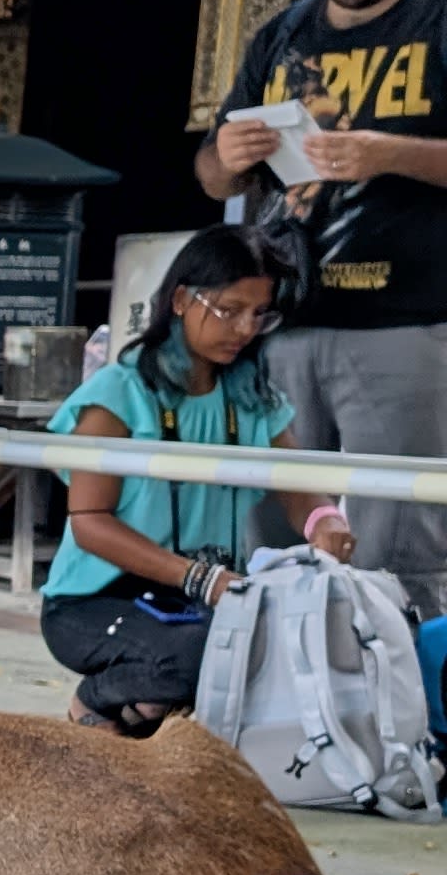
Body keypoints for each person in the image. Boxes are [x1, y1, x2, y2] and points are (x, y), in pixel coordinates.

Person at [198, 0, 447, 612]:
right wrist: (229, 156)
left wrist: (388, 154)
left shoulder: (440, 21)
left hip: (403, 322)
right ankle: (273, 713)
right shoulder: (282, 36)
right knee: (270, 539)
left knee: (399, 549)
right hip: (281, 319)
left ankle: (411, 722)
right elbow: (211, 174)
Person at [38, 225, 352, 732]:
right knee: (208, 651)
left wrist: (323, 518)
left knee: (272, 640)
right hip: (94, 604)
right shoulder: (120, 391)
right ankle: (94, 703)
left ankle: (143, 711)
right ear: (181, 300)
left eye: (258, 314)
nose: (245, 329)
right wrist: (197, 577)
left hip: (197, 597)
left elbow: (298, 482)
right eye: (230, 310)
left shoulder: (251, 396)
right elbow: (89, 523)